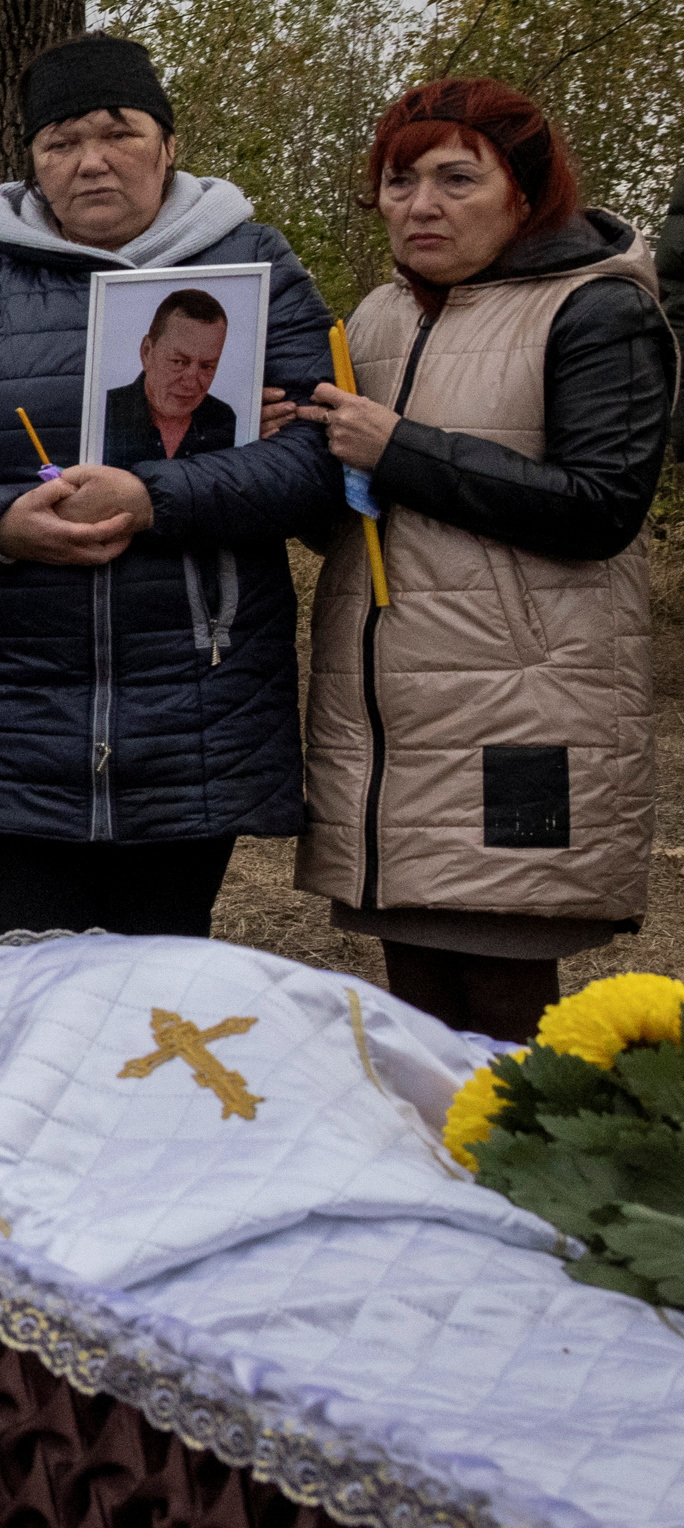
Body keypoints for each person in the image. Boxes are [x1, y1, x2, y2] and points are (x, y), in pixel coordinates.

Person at [0, 36, 337, 940]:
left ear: (166, 143)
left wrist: (157, 498)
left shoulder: (256, 269)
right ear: (34, 164)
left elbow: (316, 459)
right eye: (60, 142)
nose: (91, 161)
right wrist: (0, 521)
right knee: (22, 980)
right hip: (12, 706)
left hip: (197, 701)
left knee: (158, 995)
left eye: (117, 133)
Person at [286, 79, 674, 1035]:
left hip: (523, 715)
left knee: (501, 1005)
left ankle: (531, 1184)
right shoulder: (377, 317)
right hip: (391, 720)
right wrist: (296, 453)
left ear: (524, 189)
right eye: (399, 178)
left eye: (458, 177)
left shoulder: (597, 311)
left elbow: (602, 507)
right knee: (416, 1003)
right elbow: (361, 519)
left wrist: (396, 446)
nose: (422, 204)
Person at [103, 289, 242, 463]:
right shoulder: (105, 412)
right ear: (147, 352)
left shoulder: (225, 420)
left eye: (207, 366)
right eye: (178, 362)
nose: (191, 383)